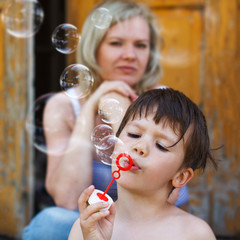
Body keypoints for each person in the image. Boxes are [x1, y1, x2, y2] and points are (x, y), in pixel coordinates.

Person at [23, 0, 188, 239]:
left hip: (152, 225)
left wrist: (119, 113)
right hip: (90, 225)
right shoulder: (63, 106)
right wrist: (91, 107)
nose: (130, 55)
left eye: (141, 45)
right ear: (94, 48)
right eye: (116, 43)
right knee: (51, 222)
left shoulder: (163, 101)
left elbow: (169, 197)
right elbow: (67, 200)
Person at [68, 88, 218, 240]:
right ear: (114, 147)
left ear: (180, 177)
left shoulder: (194, 233)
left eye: (161, 145)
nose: (140, 147)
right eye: (134, 134)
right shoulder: (85, 229)